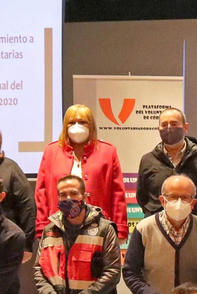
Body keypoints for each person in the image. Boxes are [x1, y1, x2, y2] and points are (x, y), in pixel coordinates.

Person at [24, 174, 122, 294]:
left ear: (85, 196)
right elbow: (39, 270)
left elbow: (112, 273)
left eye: (74, 193)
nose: (68, 198)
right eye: (63, 195)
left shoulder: (105, 229)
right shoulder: (49, 230)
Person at [34, 104, 128, 244]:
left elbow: (117, 194)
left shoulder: (108, 151)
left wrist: (120, 229)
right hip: (58, 227)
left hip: (97, 227)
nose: (77, 126)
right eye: (72, 122)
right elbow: (41, 193)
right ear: (65, 125)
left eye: (83, 122)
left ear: (91, 125)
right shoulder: (51, 151)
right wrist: (42, 227)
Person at [138, 108, 197, 224]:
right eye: (164, 125)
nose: (169, 128)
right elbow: (142, 197)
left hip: (195, 230)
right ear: (158, 129)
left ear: (185, 127)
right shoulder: (148, 160)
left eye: (174, 124)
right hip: (157, 229)